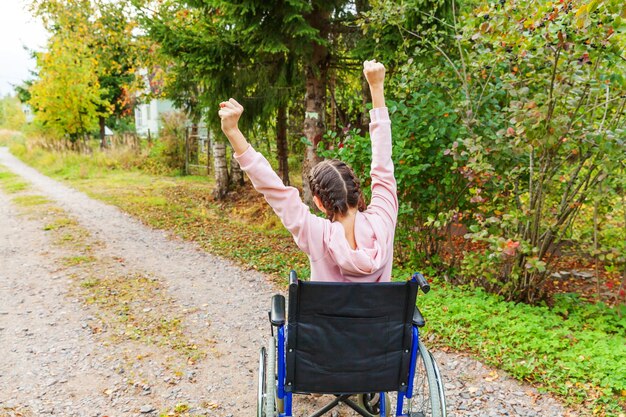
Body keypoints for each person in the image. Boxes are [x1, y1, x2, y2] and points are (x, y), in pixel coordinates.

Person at [218, 60, 396, 282]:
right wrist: (376, 88)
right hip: (380, 318)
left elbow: (275, 191)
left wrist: (233, 131)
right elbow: (382, 167)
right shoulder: (383, 221)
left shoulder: (317, 235)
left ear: (319, 202)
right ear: (357, 194)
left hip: (327, 318)